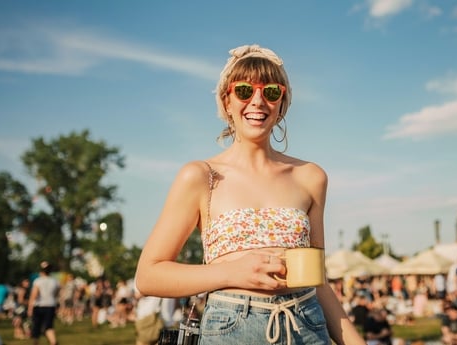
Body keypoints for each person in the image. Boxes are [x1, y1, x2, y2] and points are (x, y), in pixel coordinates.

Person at [135, 44, 365, 345]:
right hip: (231, 328)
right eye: (244, 90)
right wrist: (232, 273)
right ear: (226, 101)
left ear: (282, 104)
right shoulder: (201, 176)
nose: (258, 101)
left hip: (307, 324)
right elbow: (148, 276)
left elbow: (317, 281)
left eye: (271, 92)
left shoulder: (311, 176)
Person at [28, 261, 60, 345]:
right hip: (51, 305)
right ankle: (53, 341)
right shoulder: (55, 281)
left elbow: (34, 295)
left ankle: (36, 342)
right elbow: (56, 294)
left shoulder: (38, 281)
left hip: (39, 305)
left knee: (36, 326)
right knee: (49, 326)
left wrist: (30, 308)